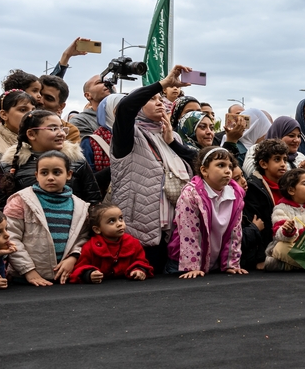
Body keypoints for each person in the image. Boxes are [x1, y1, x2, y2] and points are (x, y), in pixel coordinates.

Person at [109, 65, 196, 272]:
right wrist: (163, 84)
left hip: (176, 230)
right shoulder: (128, 135)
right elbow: (125, 107)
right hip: (141, 230)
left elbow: (200, 163)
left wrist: (173, 143)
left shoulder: (172, 136)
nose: (159, 103)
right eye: (152, 99)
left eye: (161, 99)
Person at [3, 150, 90, 285]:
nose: (50, 177)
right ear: (36, 175)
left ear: (69, 174)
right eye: (44, 173)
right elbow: (10, 238)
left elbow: (83, 238)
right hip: (23, 281)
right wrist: (28, 271)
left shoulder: (81, 206)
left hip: (65, 279)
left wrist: (73, 257)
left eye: (57, 172)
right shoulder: (20, 201)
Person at [0, 110, 102, 210]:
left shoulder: (76, 161)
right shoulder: (12, 163)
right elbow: (0, 206)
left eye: (62, 128)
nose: (61, 134)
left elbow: (93, 202)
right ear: (31, 134)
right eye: (53, 129)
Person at [166, 146, 247, 279]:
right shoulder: (191, 194)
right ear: (204, 170)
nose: (227, 171)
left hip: (212, 264)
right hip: (182, 264)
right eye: (221, 165)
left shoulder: (236, 196)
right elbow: (189, 231)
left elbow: (235, 233)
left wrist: (231, 264)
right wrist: (191, 267)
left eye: (230, 166)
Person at [70, 201, 154, 283]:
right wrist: (89, 274)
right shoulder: (89, 247)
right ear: (97, 229)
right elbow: (79, 268)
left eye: (120, 218)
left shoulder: (133, 243)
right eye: (111, 221)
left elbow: (142, 261)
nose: (119, 224)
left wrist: (139, 270)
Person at [241, 139, 288, 270]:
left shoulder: (288, 186)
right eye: (277, 159)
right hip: (264, 251)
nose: (283, 164)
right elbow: (259, 225)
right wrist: (261, 258)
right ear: (263, 164)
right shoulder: (254, 188)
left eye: (285, 159)